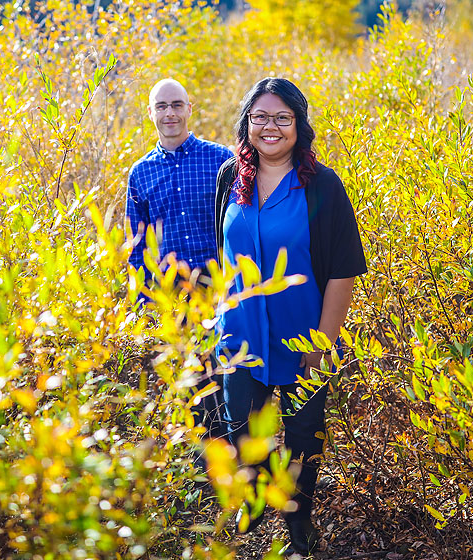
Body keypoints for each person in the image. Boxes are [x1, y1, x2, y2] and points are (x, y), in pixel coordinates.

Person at [214, 77, 366, 555]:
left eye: (283, 117)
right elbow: (223, 252)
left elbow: (342, 271)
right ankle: (256, 499)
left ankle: (299, 525)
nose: (271, 127)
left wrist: (322, 342)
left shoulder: (322, 185)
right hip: (240, 339)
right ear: (246, 125)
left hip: (304, 340)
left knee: (302, 441)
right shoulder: (228, 179)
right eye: (260, 117)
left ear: (299, 125)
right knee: (244, 435)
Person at [125, 78, 233, 441]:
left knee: (228, 373)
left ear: (190, 108)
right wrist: (145, 300)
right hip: (170, 291)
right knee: (188, 381)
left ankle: (241, 457)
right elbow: (137, 245)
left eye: (176, 105)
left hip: (219, 283)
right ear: (151, 113)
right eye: (161, 106)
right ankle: (205, 468)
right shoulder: (140, 173)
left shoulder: (221, 160)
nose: (169, 113)